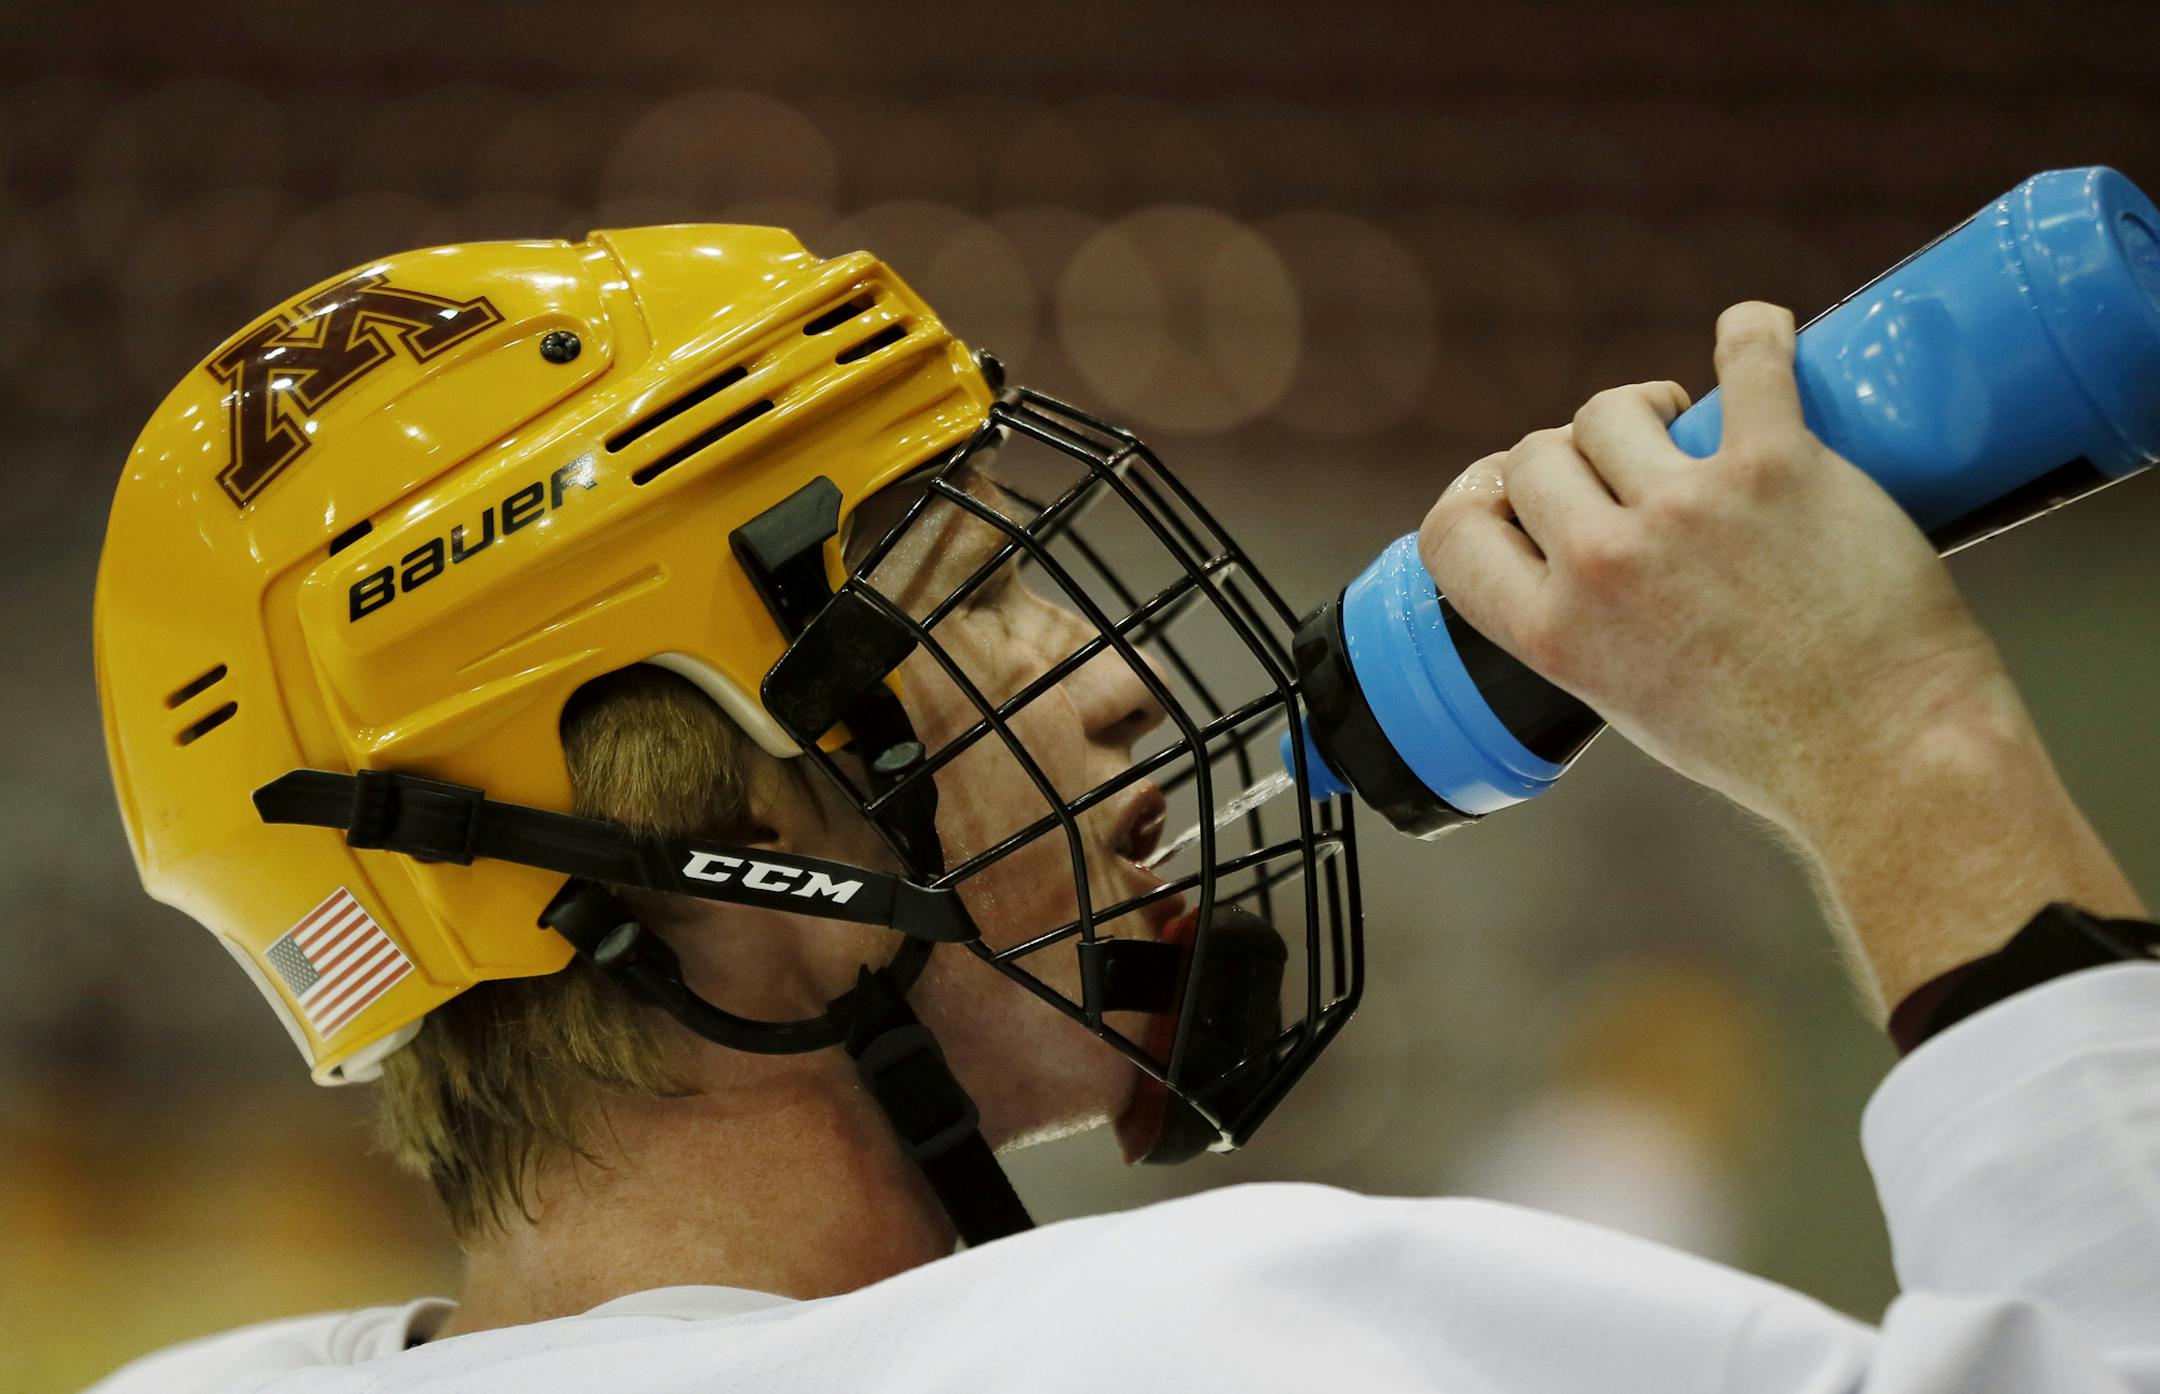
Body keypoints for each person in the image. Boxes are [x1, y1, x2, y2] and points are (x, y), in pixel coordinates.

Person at [87, 221, 2159, 1393]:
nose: (1103, 687)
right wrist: (1894, 735)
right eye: (975, 599)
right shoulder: (1211, 1346)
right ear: (696, 816)